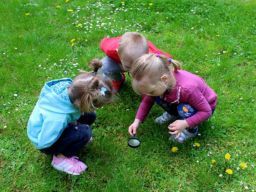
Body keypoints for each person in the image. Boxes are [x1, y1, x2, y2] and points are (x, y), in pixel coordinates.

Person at [27, 60, 113, 175]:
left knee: (90, 116)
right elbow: (43, 142)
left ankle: (73, 134)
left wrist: (71, 124)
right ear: (80, 102)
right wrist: (69, 132)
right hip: (44, 140)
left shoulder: (71, 89)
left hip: (54, 124)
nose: (95, 109)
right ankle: (60, 159)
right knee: (85, 132)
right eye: (93, 106)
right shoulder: (57, 118)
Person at [128, 54, 217, 143]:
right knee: (157, 97)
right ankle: (174, 113)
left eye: (151, 91)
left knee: (183, 107)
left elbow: (206, 111)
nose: (148, 95)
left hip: (203, 107)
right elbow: (147, 102)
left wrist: (185, 123)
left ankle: (190, 130)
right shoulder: (162, 84)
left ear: (164, 79)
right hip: (182, 101)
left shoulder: (187, 90)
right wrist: (137, 121)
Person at [99, 32, 172, 92]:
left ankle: (145, 85)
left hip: (143, 65)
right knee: (104, 65)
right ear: (118, 52)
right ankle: (118, 80)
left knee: (152, 70)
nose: (133, 71)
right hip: (118, 63)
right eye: (129, 66)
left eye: (136, 65)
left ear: (146, 56)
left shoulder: (152, 55)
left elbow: (166, 59)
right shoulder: (111, 48)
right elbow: (103, 43)